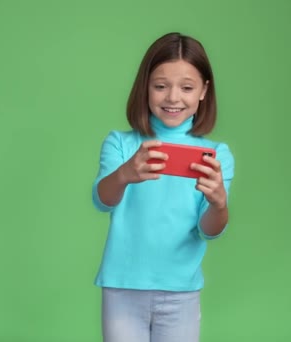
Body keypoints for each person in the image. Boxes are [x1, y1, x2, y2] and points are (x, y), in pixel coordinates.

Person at [91, 32, 234, 342]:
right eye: (160, 86)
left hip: (181, 290)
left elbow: (208, 229)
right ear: (145, 88)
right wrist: (125, 174)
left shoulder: (217, 155)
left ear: (203, 91)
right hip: (123, 288)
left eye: (186, 87)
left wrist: (219, 204)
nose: (172, 98)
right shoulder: (120, 143)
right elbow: (102, 200)